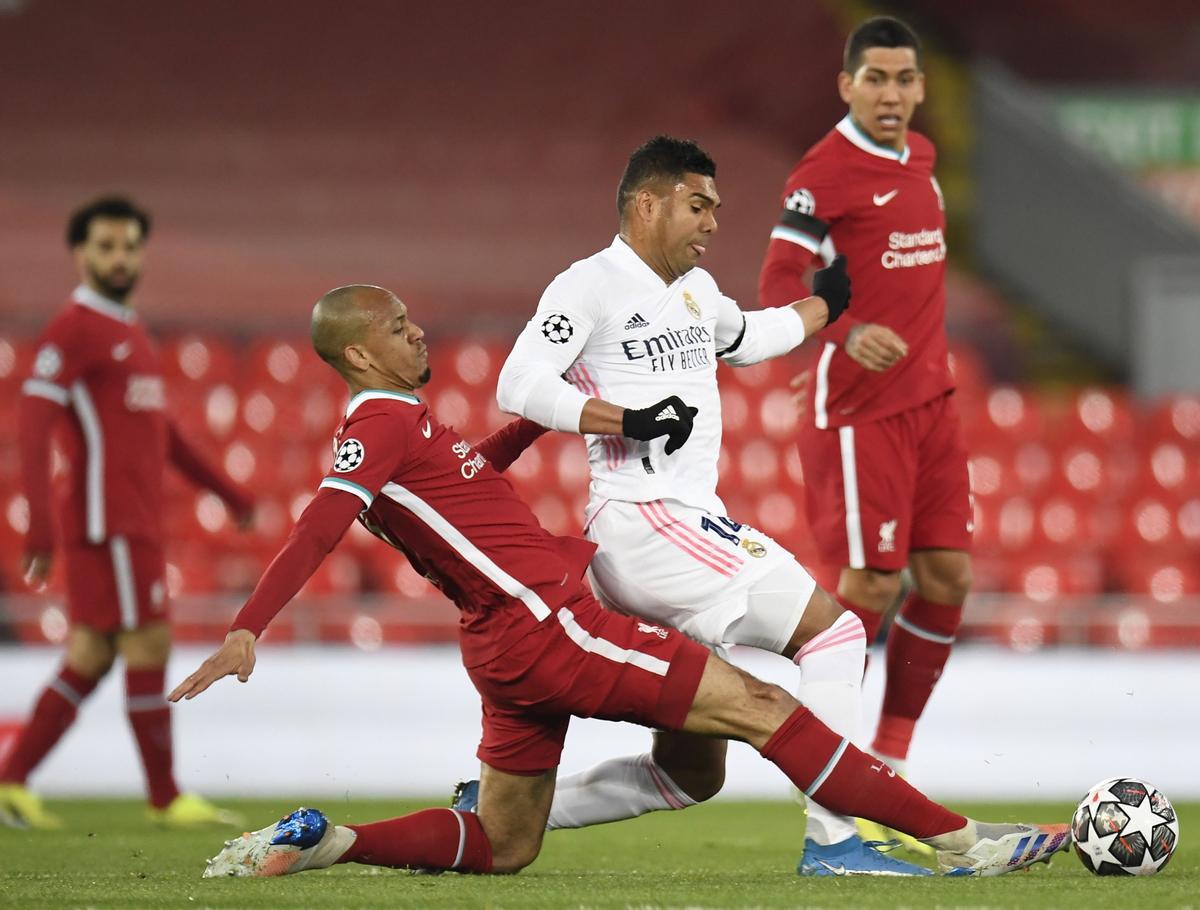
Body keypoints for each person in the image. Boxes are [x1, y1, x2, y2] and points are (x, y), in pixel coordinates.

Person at [169, 284, 1066, 880]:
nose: (415, 331)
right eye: (395, 326)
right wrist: (248, 625)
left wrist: (537, 423)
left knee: (507, 842)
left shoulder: (408, 426)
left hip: (501, 649)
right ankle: (958, 843)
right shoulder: (376, 428)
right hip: (548, 623)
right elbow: (321, 521)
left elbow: (467, 485)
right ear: (358, 354)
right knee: (764, 707)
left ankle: (331, 842)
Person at [488, 135, 922, 876]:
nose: (713, 221)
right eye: (698, 204)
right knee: (835, 634)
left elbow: (749, 337)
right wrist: (626, 419)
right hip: (647, 518)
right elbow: (518, 384)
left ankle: (493, 811)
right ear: (647, 203)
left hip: (676, 525)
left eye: (716, 207)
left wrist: (827, 303)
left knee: (691, 775)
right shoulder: (587, 285)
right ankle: (836, 839)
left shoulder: (695, 292)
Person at [756, 16, 972, 853]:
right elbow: (778, 281)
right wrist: (843, 332)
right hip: (857, 407)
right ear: (846, 86)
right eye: (875, 78)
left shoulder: (921, 159)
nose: (892, 94)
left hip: (933, 400)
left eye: (905, 79)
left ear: (921, 86)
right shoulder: (822, 174)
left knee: (947, 574)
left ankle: (891, 758)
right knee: (872, 585)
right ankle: (828, 767)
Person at [0, 196, 253, 830]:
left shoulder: (129, 328)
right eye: (106, 245)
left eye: (129, 246)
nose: (120, 258)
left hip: (129, 519)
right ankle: (166, 797)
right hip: (105, 519)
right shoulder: (75, 327)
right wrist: (39, 523)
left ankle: (10, 782)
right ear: (80, 252)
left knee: (90, 653)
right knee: (148, 641)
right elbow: (33, 424)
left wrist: (227, 492)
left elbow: (161, 431)